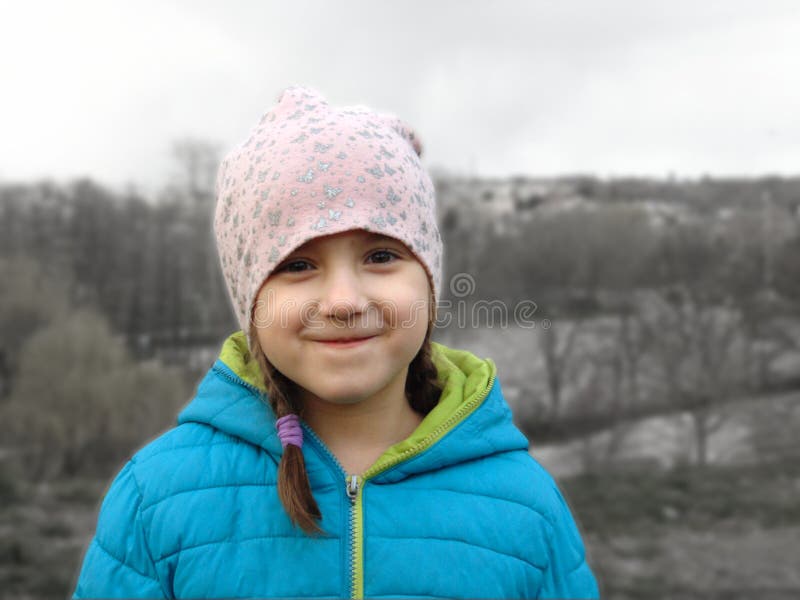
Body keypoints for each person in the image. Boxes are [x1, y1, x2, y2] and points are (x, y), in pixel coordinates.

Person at [71, 85, 600, 599]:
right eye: (298, 264)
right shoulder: (156, 500)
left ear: (430, 280)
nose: (344, 300)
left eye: (381, 256)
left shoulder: (527, 508)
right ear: (250, 301)